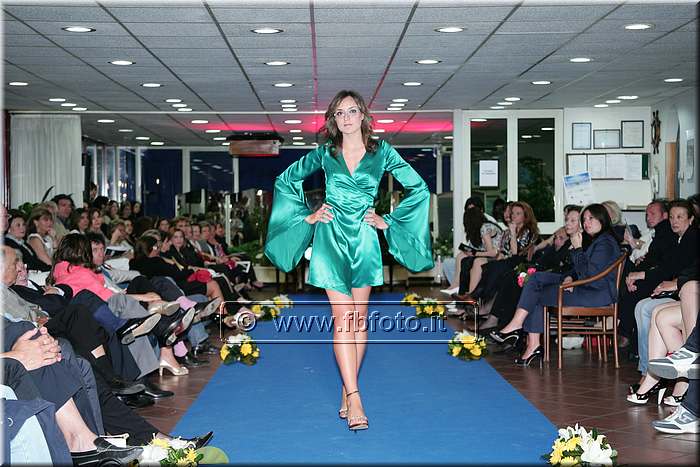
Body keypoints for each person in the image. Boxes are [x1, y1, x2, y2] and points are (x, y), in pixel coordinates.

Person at [264, 90, 433, 431]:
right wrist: (308, 217)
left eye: (352, 111)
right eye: (339, 113)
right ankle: (355, 395)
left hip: (365, 239)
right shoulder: (325, 153)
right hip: (330, 238)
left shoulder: (382, 152)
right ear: (333, 120)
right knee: (342, 318)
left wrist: (388, 221)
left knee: (358, 318)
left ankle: (346, 385)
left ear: (363, 116)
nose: (346, 118)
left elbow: (418, 188)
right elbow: (286, 180)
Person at [490, 203, 621, 366]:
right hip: (587, 288)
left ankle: (525, 336)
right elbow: (583, 270)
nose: (586, 222)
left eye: (591, 218)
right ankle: (525, 336)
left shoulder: (605, 243)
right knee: (536, 279)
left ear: (603, 219)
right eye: (584, 219)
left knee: (536, 294)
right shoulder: (597, 240)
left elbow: (591, 275)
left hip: (595, 294)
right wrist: (570, 277)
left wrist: (577, 249)